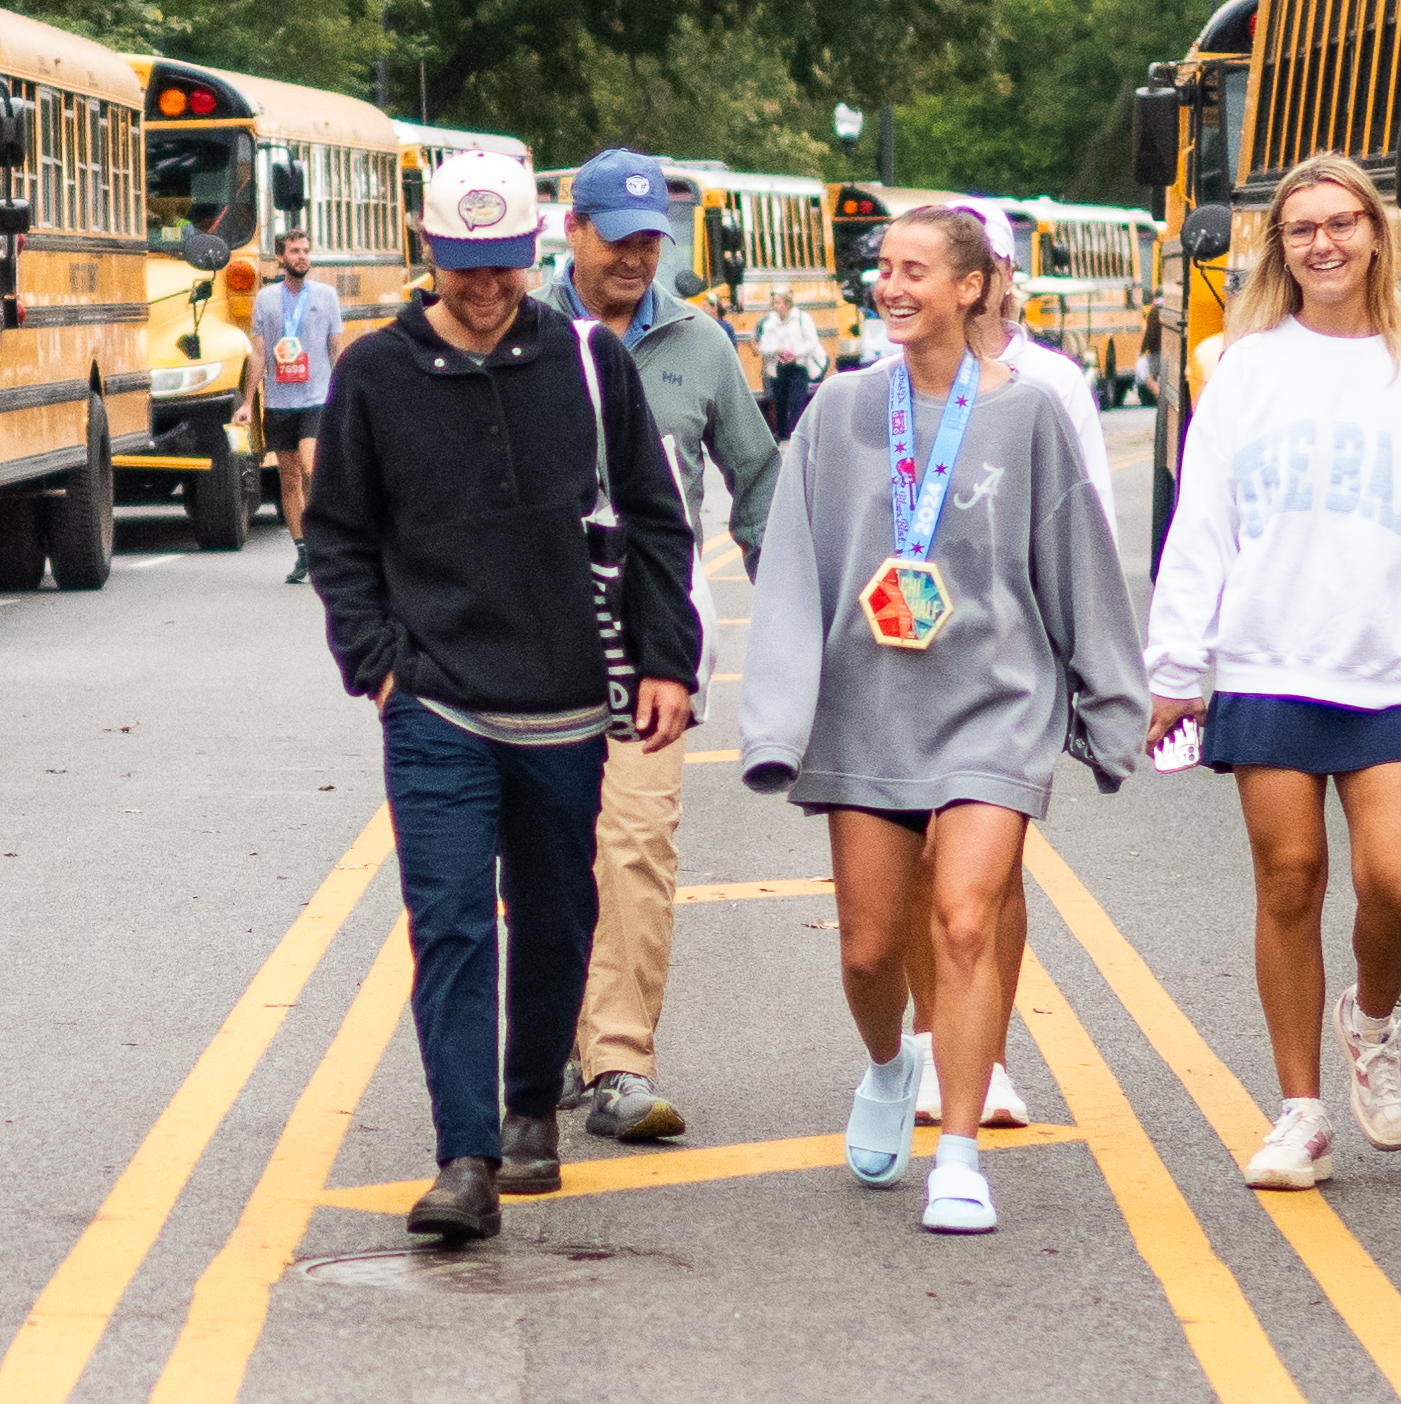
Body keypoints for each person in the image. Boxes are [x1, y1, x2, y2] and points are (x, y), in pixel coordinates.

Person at [305, 140, 705, 1249]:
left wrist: (665, 659)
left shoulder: (586, 361)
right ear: (427, 255)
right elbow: (336, 533)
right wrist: (378, 658)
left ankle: (534, 1104)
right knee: (448, 926)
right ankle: (466, 1156)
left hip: (569, 702)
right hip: (437, 704)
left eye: (503, 266)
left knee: (557, 917)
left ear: (531, 254)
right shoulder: (377, 374)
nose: (484, 290)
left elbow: (655, 517)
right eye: (462, 267)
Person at [727, 190, 1143, 1237]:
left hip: (994, 708)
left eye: (918, 269)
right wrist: (779, 721)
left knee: (965, 916)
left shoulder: (1029, 411)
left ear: (972, 286)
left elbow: (1077, 568)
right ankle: (887, 1063)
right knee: (871, 949)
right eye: (885, 268)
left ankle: (957, 1152)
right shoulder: (836, 412)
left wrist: (1111, 708)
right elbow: (793, 575)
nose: (894, 286)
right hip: (869, 709)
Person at [1140, 148, 1401, 1183]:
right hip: (1269, 657)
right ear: (1281, 246)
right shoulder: (1244, 365)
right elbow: (1202, 522)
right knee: (1291, 880)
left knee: (1398, 882)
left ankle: (1376, 1017)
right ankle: (1300, 1109)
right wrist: (1177, 660)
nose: (1324, 241)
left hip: (1395, 664)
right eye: (1302, 226)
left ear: (1377, 235)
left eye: (1341, 222)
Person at [554, 148, 773, 1147]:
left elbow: (758, 485)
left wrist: (801, 625)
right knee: (544, 849)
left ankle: (620, 1060)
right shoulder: (520, 331)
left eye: (653, 239)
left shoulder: (700, 345)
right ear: (573, 228)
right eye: (620, 236)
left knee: (635, 838)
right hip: (528, 635)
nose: (640, 256)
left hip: (654, 633)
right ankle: (551, 1036)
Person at [251, 223, 344, 567]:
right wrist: (247, 402)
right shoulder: (265, 299)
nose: (302, 256)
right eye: (295, 251)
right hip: (279, 402)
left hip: (316, 399)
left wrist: (343, 392)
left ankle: (327, 535)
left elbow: (336, 348)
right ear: (280, 257)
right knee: (288, 478)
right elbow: (259, 353)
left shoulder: (325, 296)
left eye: (305, 251)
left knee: (311, 466)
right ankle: (303, 551)